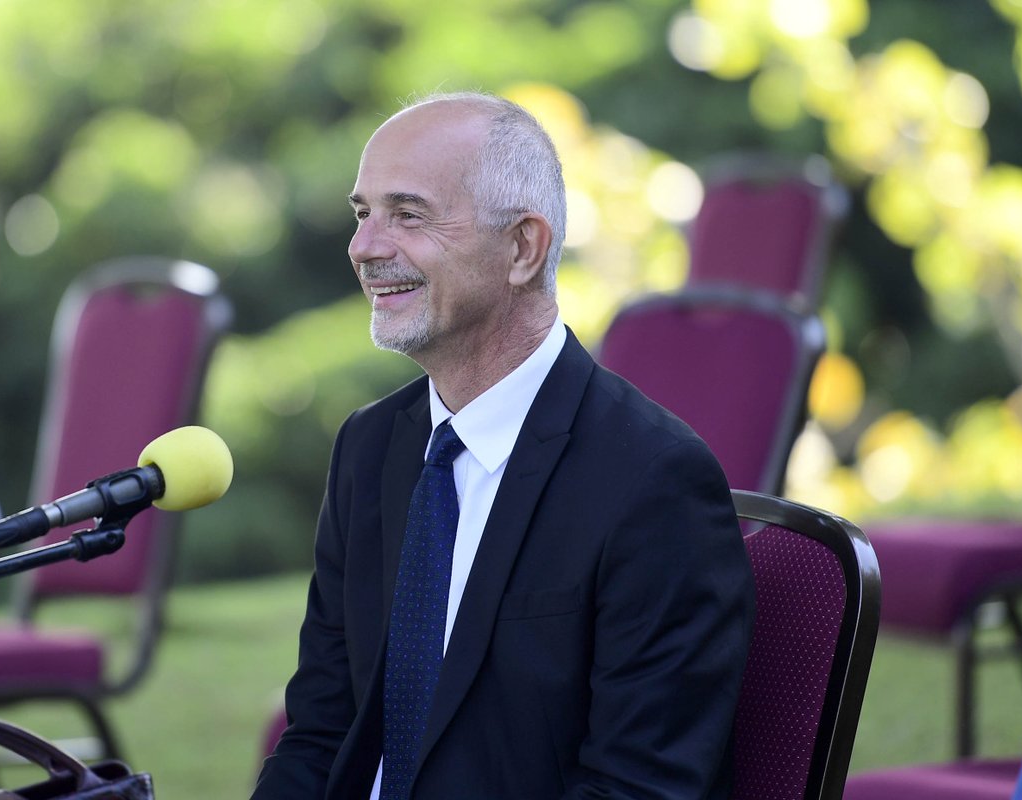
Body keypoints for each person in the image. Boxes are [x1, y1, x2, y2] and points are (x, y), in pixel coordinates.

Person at [251, 91, 754, 800]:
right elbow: (320, 733)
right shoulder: (369, 446)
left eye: (408, 214)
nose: (364, 247)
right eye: (364, 214)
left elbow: (636, 788)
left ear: (522, 248)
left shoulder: (653, 478)